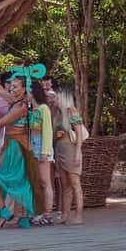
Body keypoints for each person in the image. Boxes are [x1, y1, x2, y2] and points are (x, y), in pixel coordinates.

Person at [0, 75, 44, 228]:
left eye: (15, 87)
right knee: (20, 179)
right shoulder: (14, 101)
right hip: (13, 145)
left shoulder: (22, 107)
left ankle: (5, 210)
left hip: (17, 147)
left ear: (24, 90)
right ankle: (22, 216)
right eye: (11, 87)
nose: (11, 89)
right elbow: (1, 91)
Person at [53, 90, 86, 225]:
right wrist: (57, 135)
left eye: (55, 97)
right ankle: (65, 215)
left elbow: (79, 134)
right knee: (65, 184)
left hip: (71, 150)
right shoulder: (58, 114)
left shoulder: (72, 112)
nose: (53, 100)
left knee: (75, 183)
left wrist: (78, 153)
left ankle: (79, 215)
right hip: (60, 149)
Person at [27, 82, 55, 225]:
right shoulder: (30, 109)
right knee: (36, 181)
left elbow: (48, 130)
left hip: (42, 145)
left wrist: (45, 151)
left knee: (45, 181)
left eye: (27, 91)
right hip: (33, 144)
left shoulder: (44, 108)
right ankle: (39, 211)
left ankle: (48, 213)